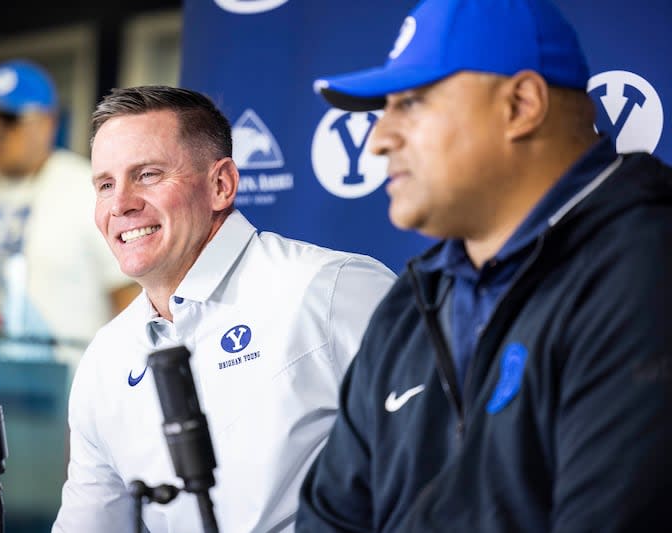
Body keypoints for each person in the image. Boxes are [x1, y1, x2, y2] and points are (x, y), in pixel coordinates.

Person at [297, 0, 672, 531]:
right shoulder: (414, 300)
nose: (378, 139)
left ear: (521, 105)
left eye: (412, 103)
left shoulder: (646, 270)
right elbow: (330, 519)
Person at [51, 86, 396, 532]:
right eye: (105, 185)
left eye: (149, 175)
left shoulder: (331, 290)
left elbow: (434, 474)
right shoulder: (105, 357)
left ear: (221, 184)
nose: (120, 204)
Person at [0, 59, 138, 363]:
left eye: (9, 119)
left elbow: (129, 295)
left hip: (70, 387)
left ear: (48, 123)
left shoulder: (90, 189)